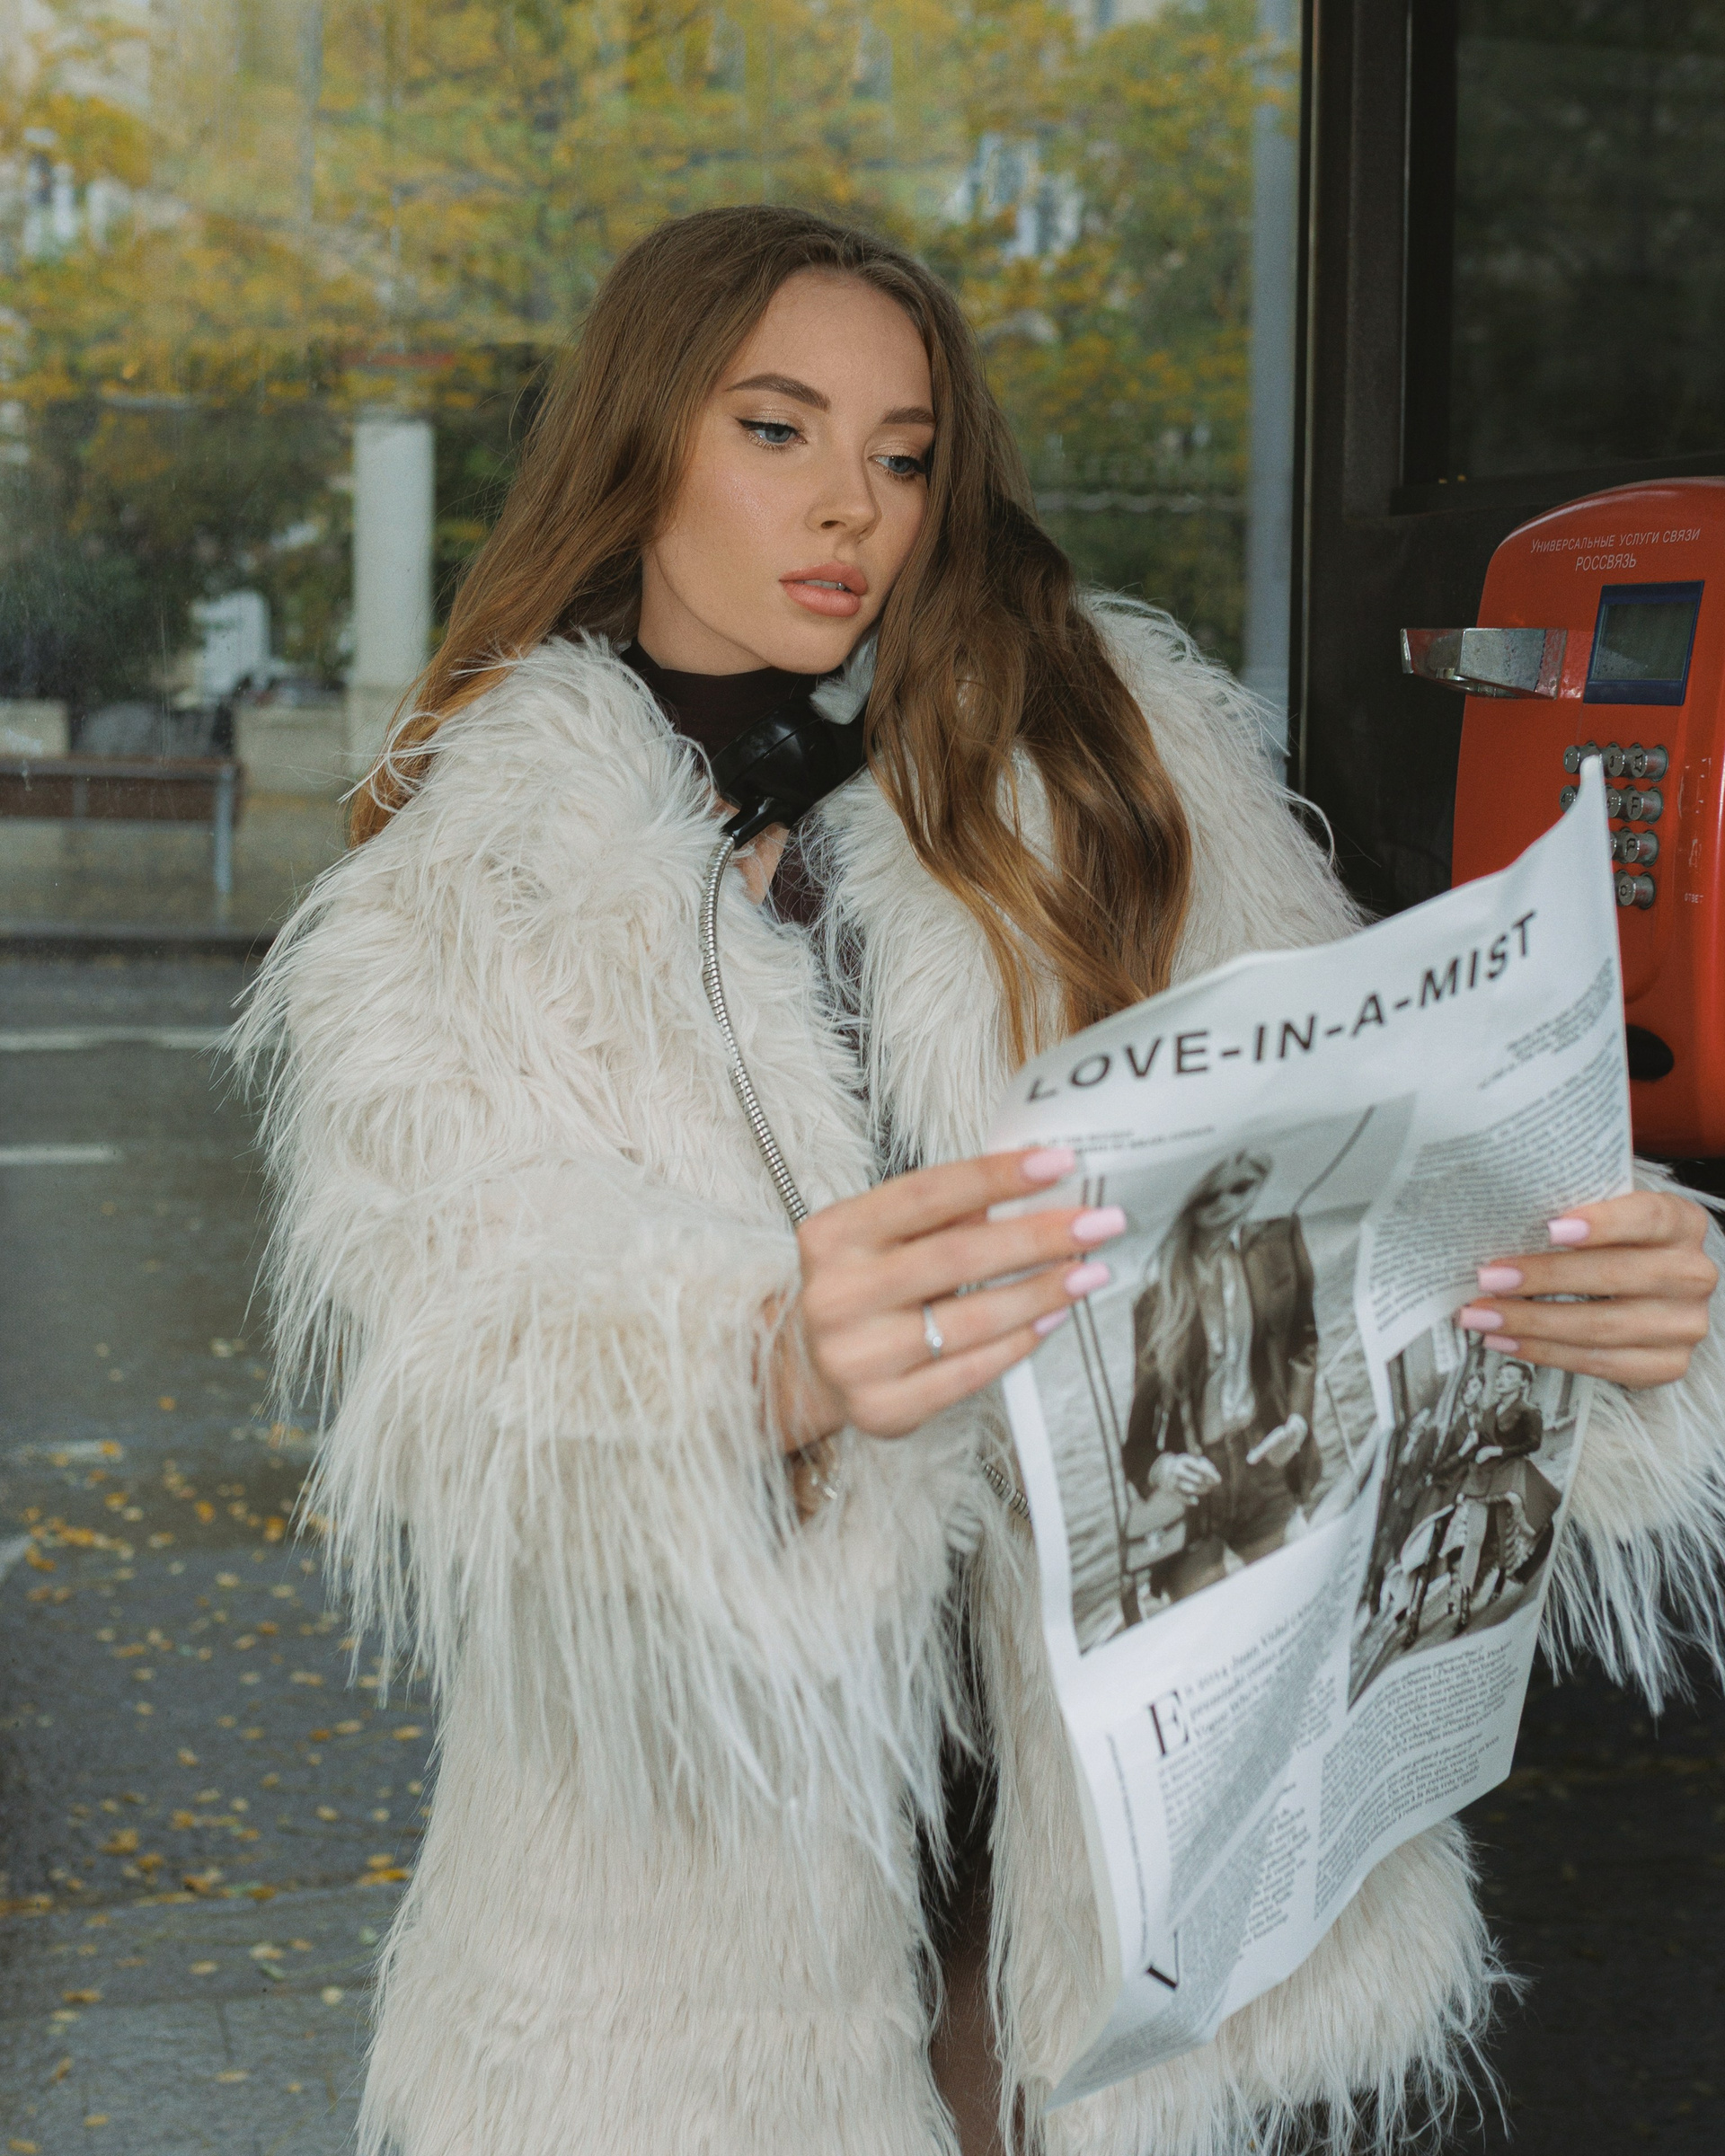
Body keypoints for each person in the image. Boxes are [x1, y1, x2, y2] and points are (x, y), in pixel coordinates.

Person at [238, 206, 1725, 2156]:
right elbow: (461, 1344)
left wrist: (1588, 1294)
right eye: (776, 429)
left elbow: (1349, 1182)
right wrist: (757, 1354)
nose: (848, 505)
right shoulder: (466, 888)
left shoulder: (1109, 770)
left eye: (905, 452)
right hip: (701, 1908)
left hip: (1119, 1839)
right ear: (641, 441)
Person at [1120, 1152, 1322, 1604]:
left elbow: (1303, 1343)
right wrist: (1165, 1469)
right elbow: (1137, 1445)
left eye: (1242, 1188)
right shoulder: (1156, 1302)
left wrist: (1297, 1422)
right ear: (1190, 1204)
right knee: (1207, 1623)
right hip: (1195, 1490)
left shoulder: (1280, 1243)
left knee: (1305, 1596)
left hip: (1265, 1463)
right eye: (1211, 1196)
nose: (1228, 1204)